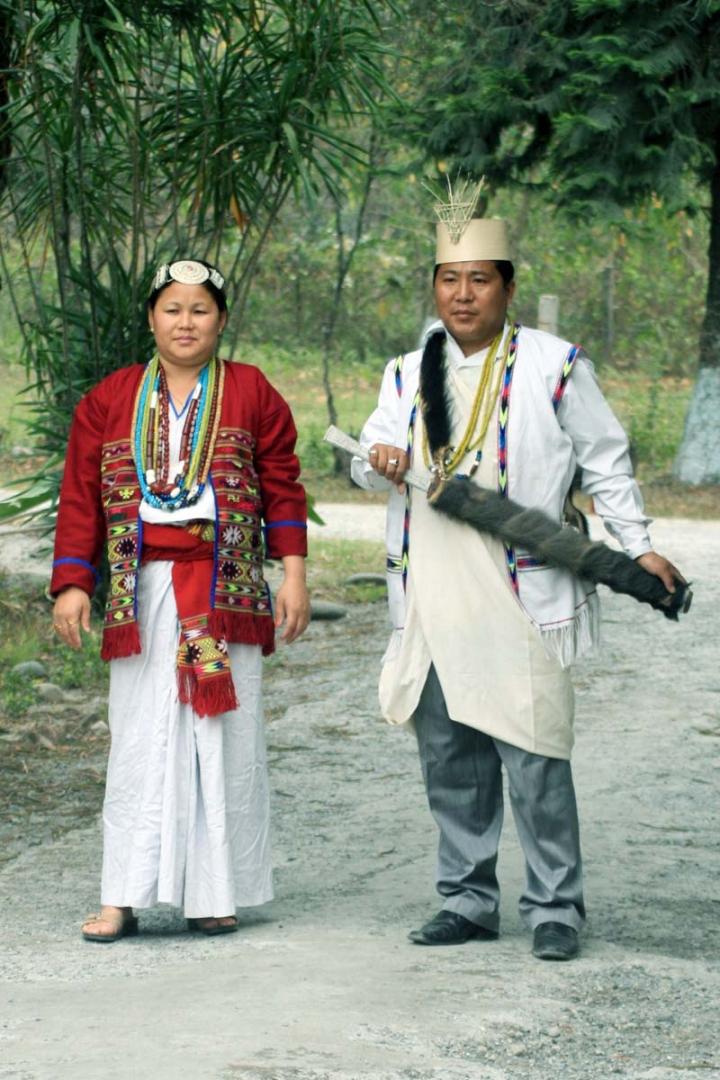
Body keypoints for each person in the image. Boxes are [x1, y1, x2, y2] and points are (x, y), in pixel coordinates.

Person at [351, 191, 684, 960]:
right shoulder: (405, 373)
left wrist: (637, 545)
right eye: (449, 279)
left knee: (534, 745)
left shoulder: (555, 366)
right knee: (449, 753)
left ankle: (555, 907)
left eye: (480, 279)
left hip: (521, 584)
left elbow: (606, 461)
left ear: (508, 286)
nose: (463, 295)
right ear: (434, 286)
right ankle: (466, 899)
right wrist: (379, 460)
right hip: (433, 589)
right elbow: (369, 460)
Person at [51, 258, 309, 941]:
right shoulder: (110, 398)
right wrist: (73, 582)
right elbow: (80, 496)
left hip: (224, 590)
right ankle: (122, 896)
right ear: (151, 318)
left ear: (221, 319)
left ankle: (213, 893)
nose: (185, 322)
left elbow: (282, 484)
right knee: (139, 736)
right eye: (172, 309)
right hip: (142, 593)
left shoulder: (251, 390)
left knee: (221, 737)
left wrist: (294, 574)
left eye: (199, 309)